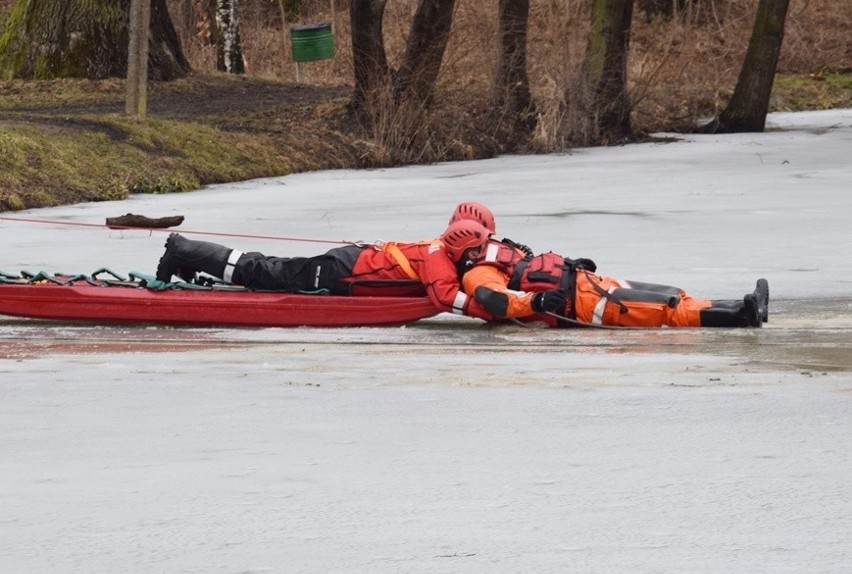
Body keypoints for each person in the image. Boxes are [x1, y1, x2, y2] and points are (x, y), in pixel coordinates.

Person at [155, 219, 496, 320]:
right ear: (461, 247)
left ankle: (189, 258)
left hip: (348, 264)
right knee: (262, 273)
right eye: (476, 251)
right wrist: (491, 310)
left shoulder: (439, 249)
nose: (478, 256)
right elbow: (445, 296)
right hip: (340, 273)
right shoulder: (439, 262)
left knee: (268, 268)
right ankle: (183, 249)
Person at [460, 237, 769, 328]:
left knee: (672, 294)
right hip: (586, 305)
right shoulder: (479, 273)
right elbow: (495, 300)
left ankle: (743, 305)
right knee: (667, 309)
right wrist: (537, 302)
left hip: (593, 285)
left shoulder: (503, 256)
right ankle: (741, 315)